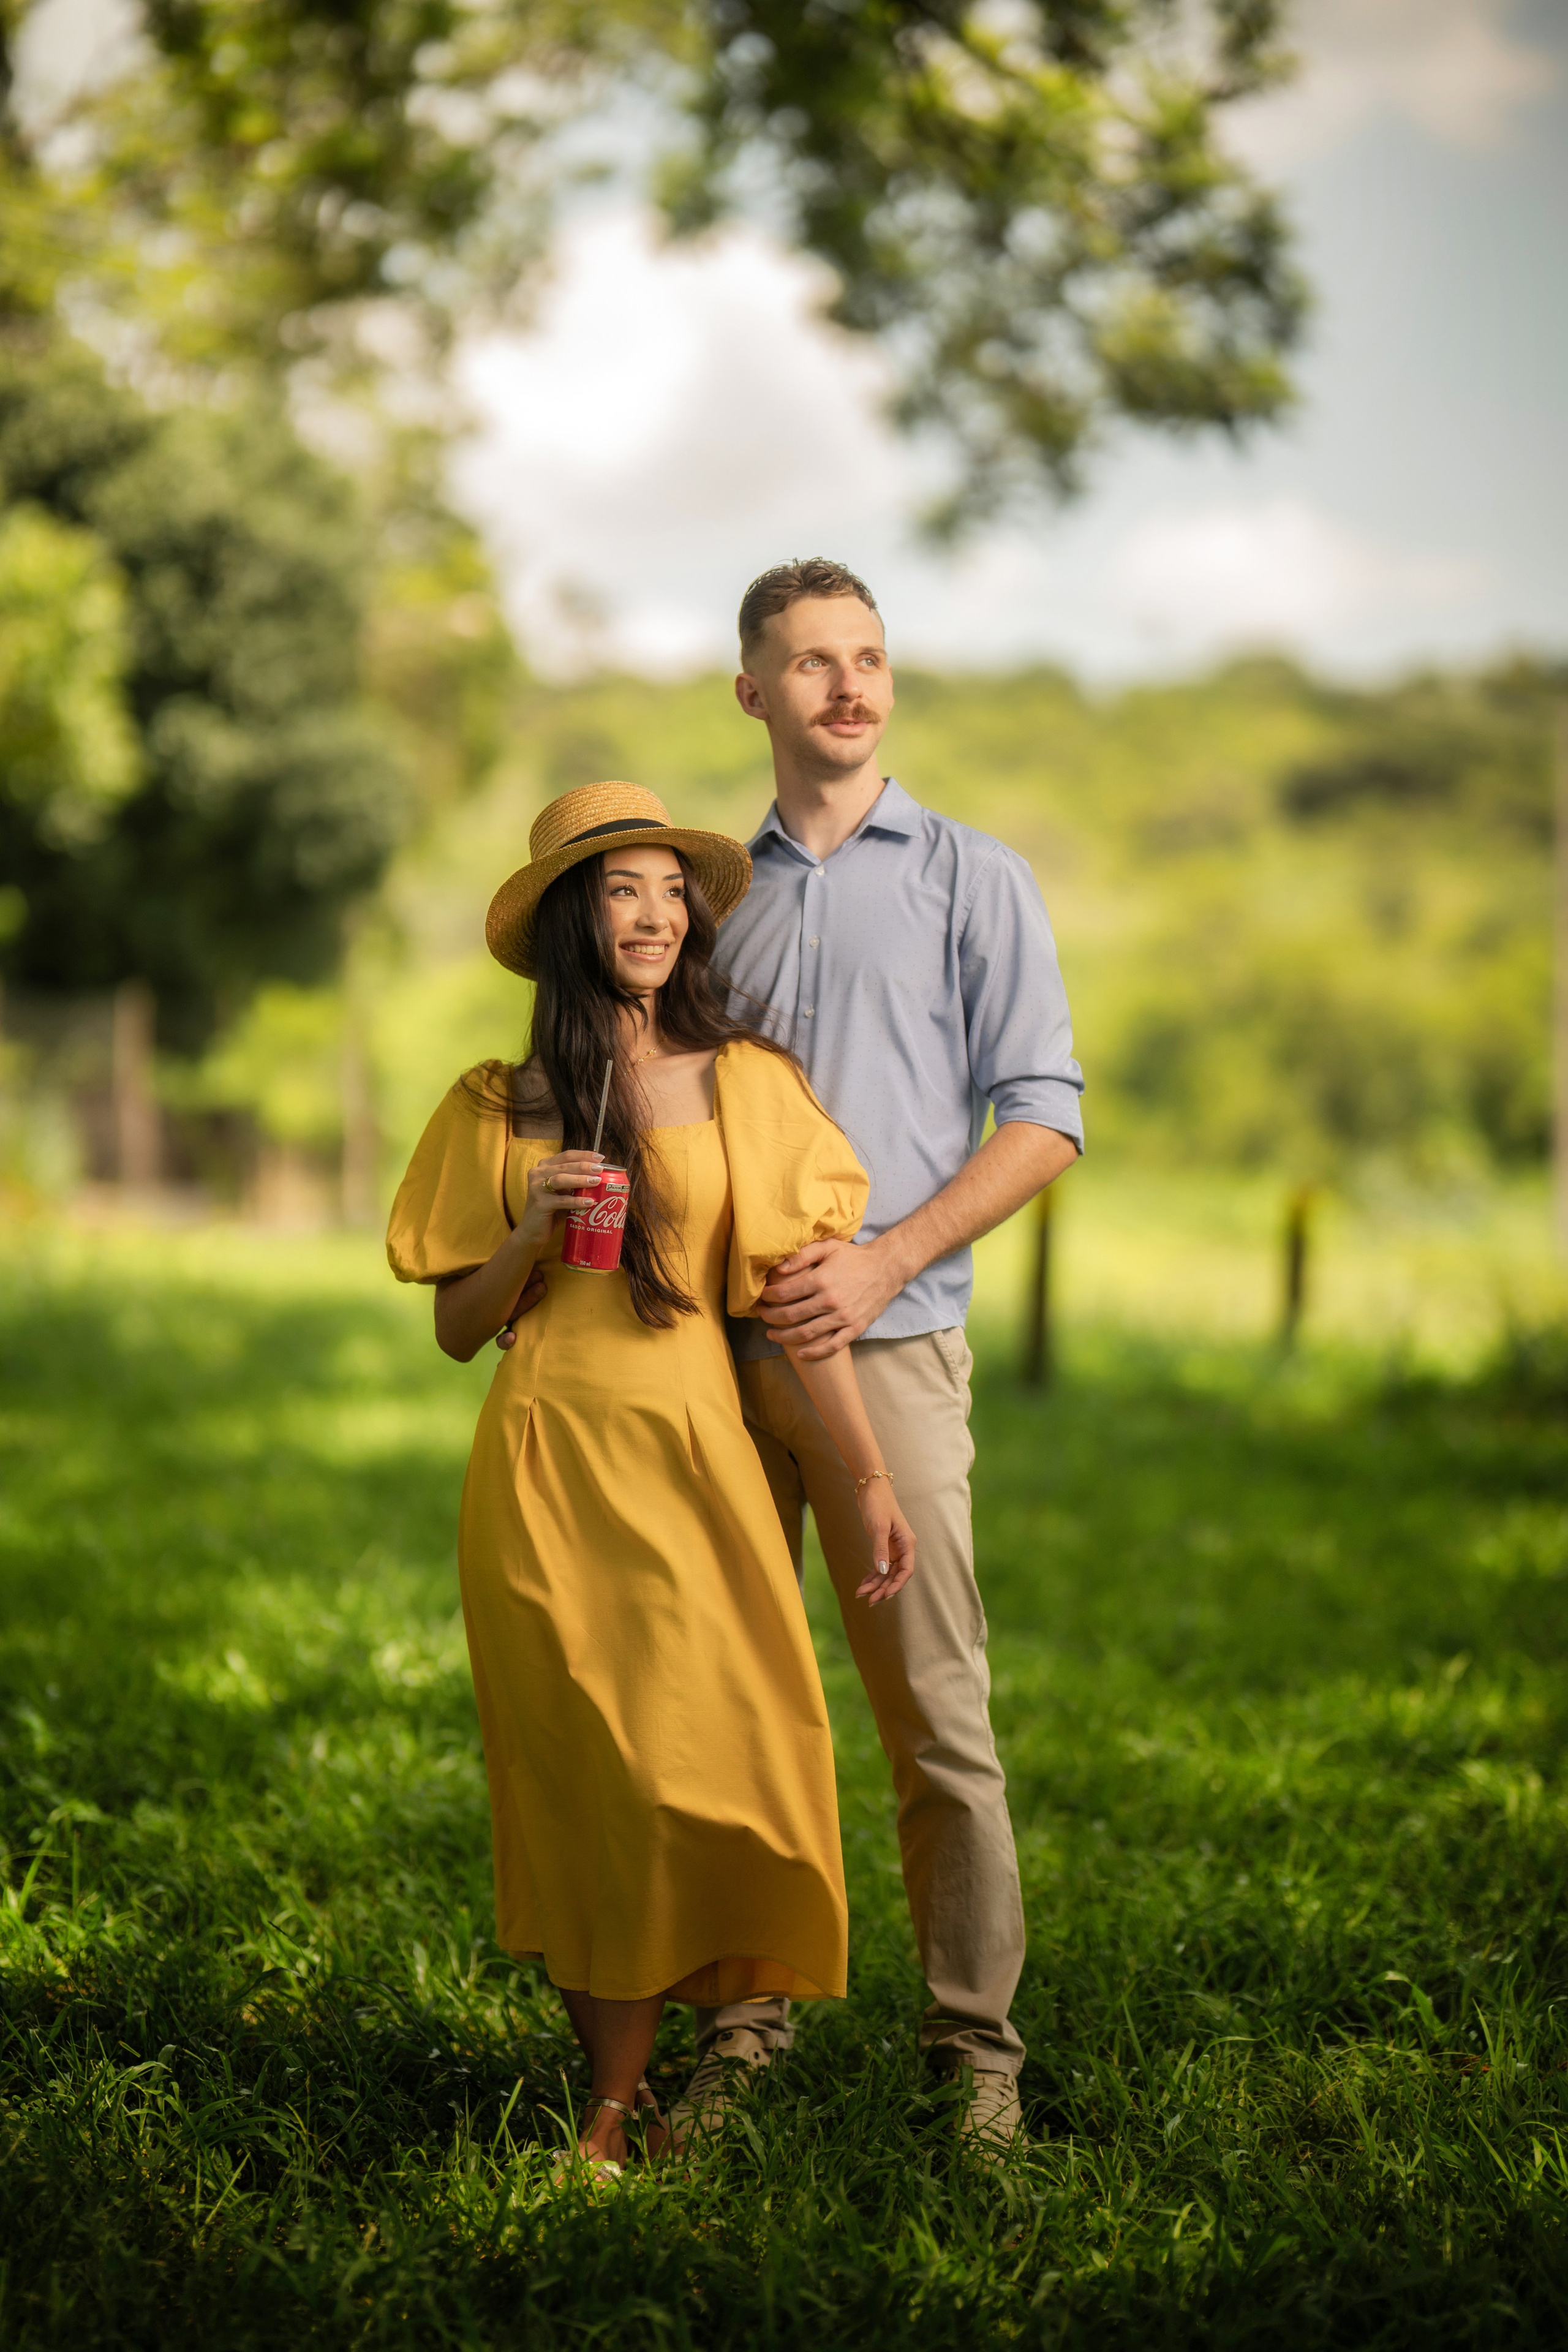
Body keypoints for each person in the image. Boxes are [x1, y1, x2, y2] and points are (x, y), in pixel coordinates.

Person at [386, 779, 916, 2176]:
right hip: (543, 1461)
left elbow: (801, 1308)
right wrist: (526, 1235)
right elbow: (456, 1331)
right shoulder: (499, 1104)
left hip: (692, 1458)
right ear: (573, 916)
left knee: (716, 1750)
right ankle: (612, 2109)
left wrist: (867, 1475)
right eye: (624, 889)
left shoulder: (746, 1085)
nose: (656, 915)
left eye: (672, 891)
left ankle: (735, 2030)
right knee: (585, 1784)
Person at [690, 557, 1084, 2151]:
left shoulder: (975, 877)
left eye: (867, 656)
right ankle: (742, 2031)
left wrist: (886, 1261)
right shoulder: (710, 896)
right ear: (753, 691)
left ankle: (975, 2056)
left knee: (936, 1716)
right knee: (727, 1702)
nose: (848, 685)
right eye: (811, 661)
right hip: (714, 1365)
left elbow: (1043, 1117)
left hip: (896, 1351)